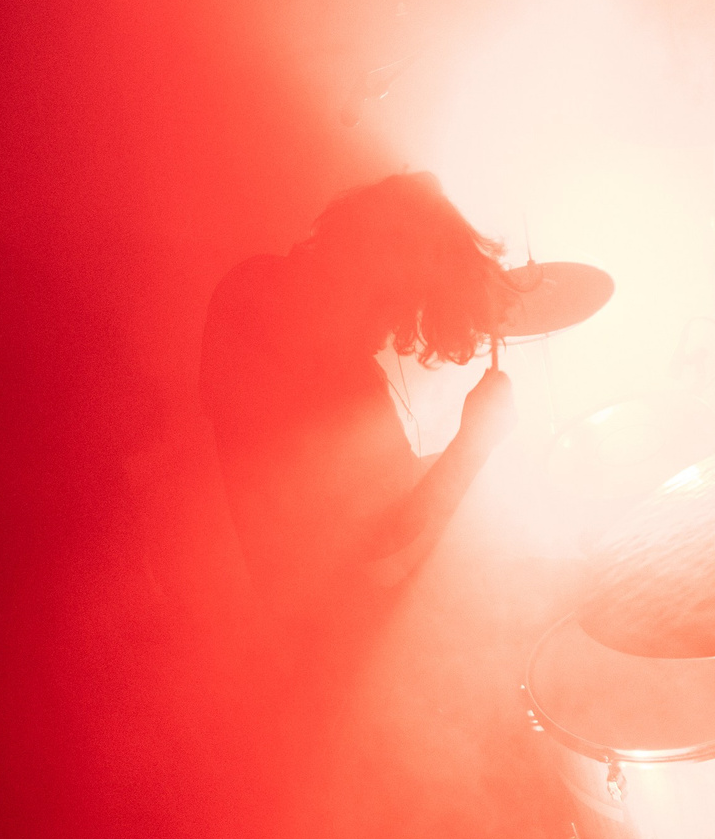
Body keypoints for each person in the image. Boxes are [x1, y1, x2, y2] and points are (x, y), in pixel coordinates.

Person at [200, 173, 520, 653]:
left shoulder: (259, 294)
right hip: (333, 642)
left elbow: (379, 499)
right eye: (400, 304)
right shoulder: (270, 308)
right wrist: (471, 444)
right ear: (379, 268)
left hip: (323, 627)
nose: (392, 331)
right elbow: (383, 531)